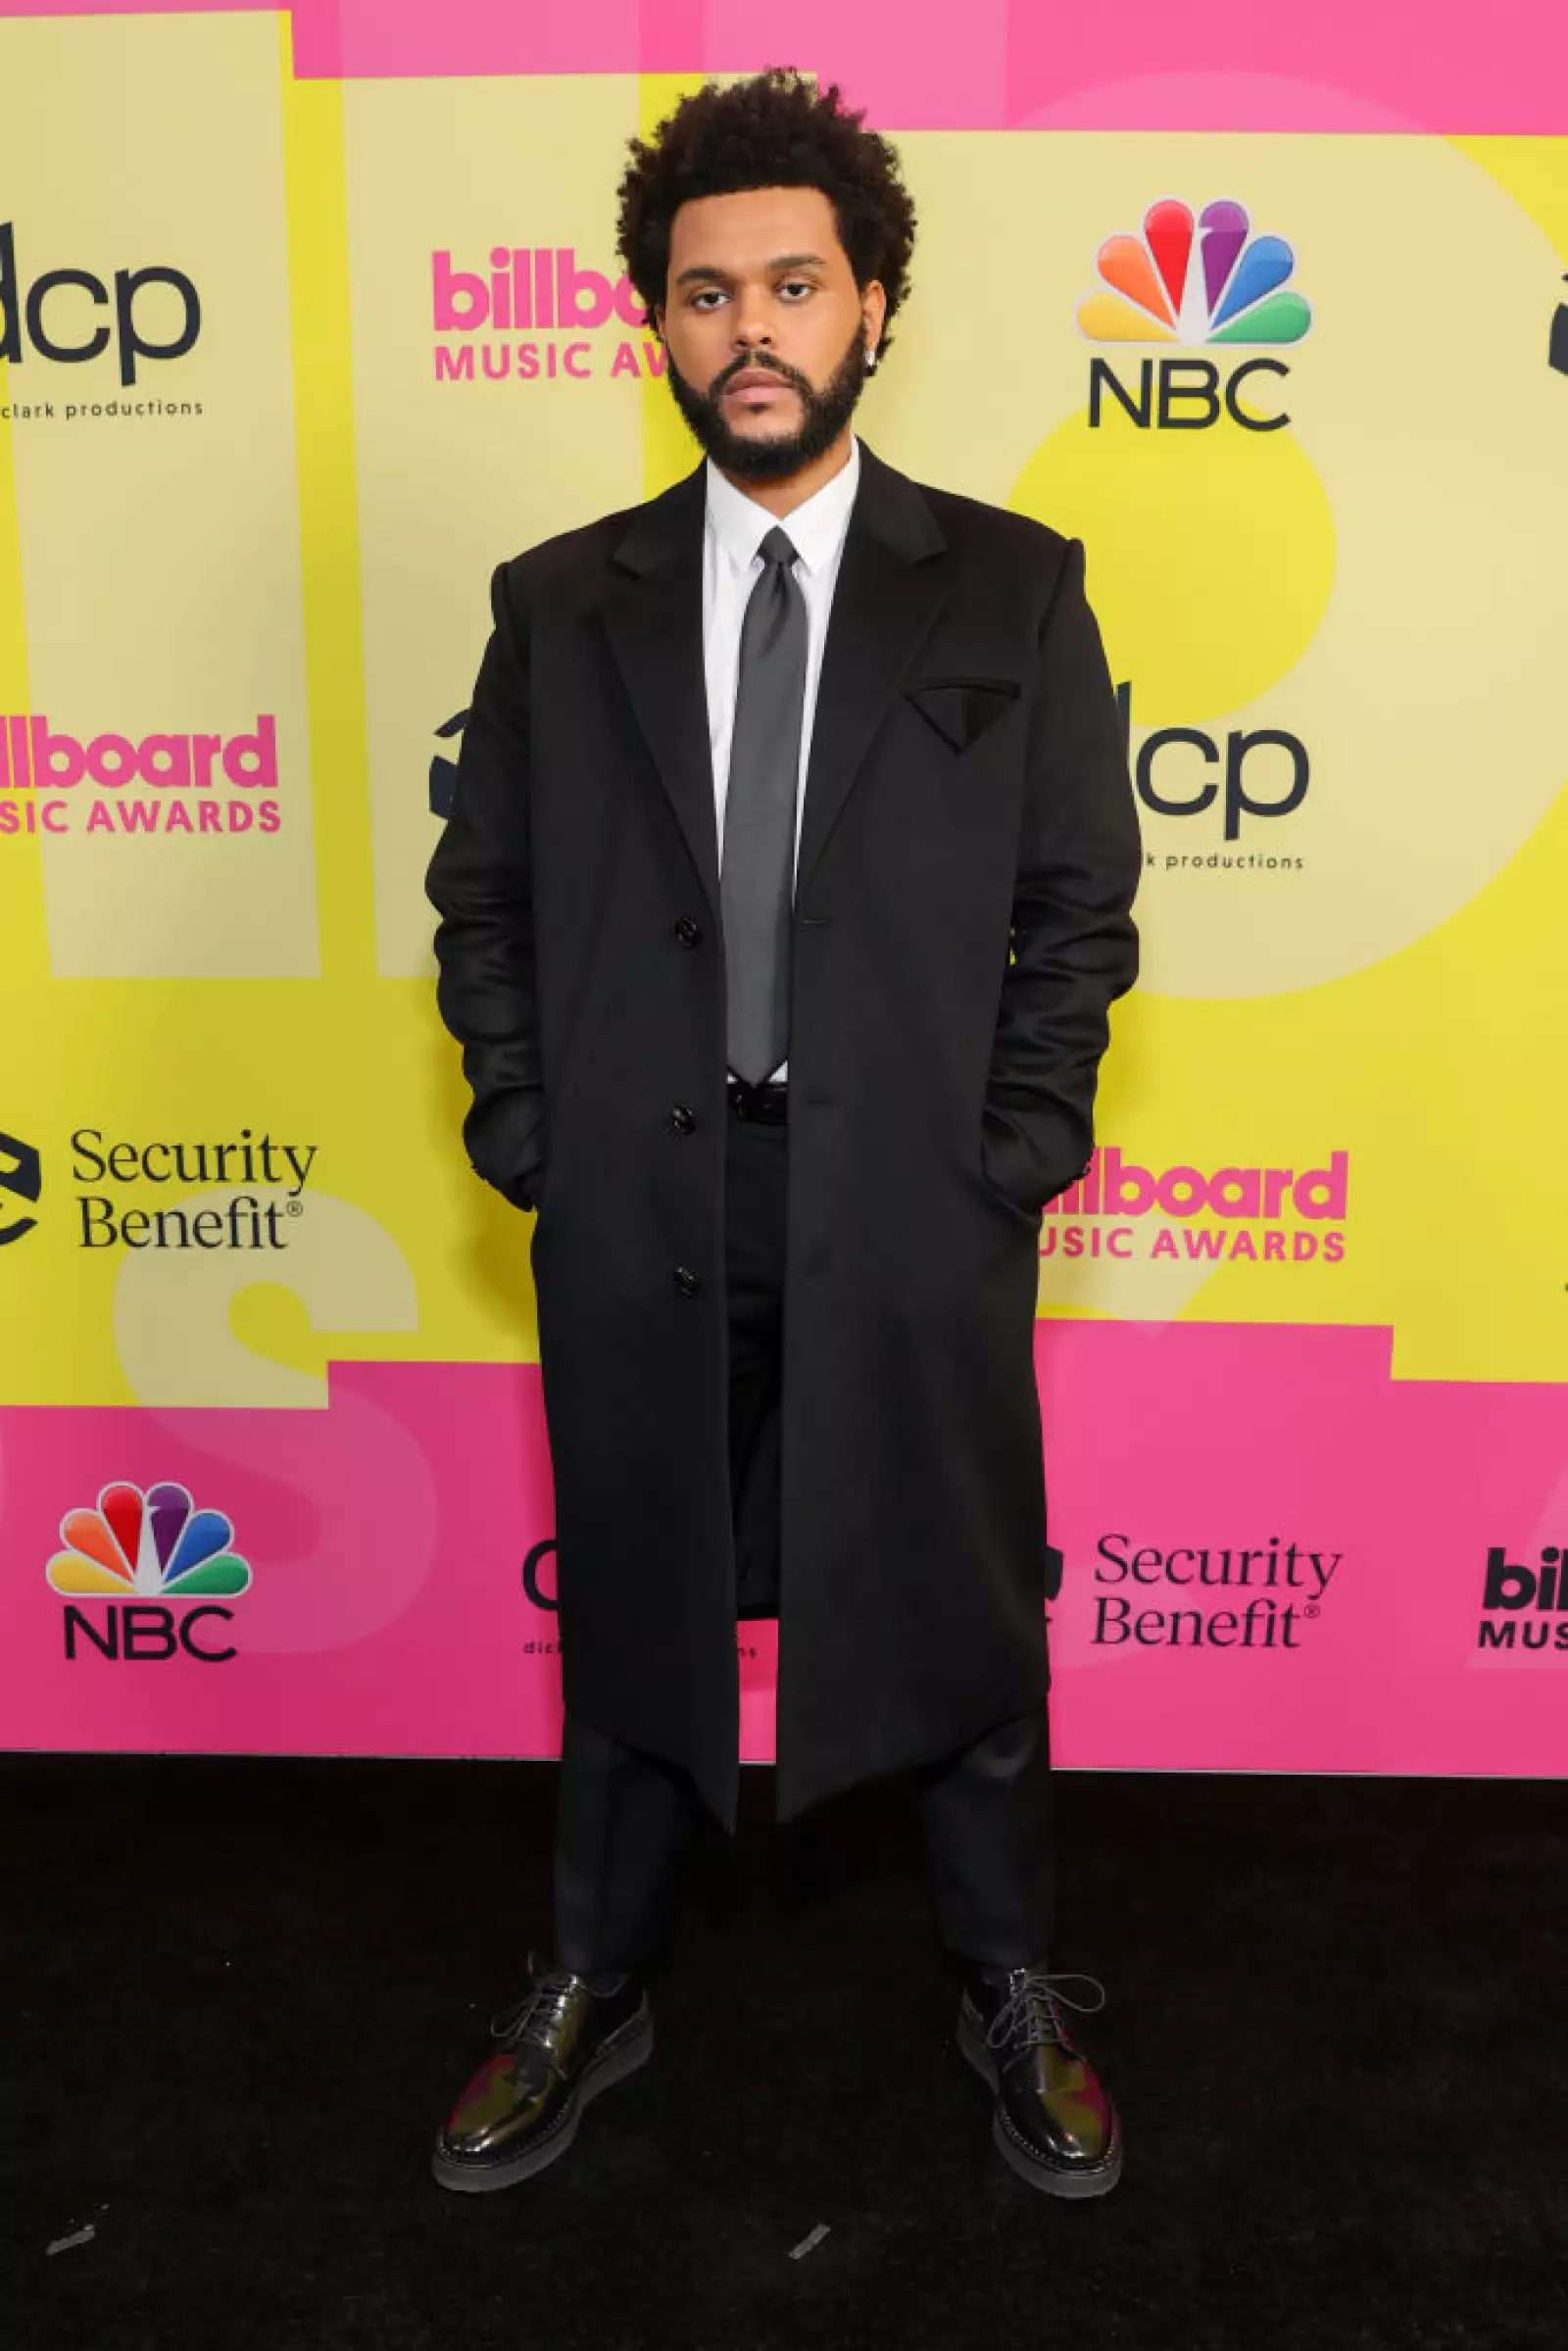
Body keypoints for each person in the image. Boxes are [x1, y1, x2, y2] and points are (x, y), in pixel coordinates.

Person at [424, 69, 1140, 2200]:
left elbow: (1074, 905)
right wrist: (538, 1131)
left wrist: (1007, 1150)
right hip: (641, 1185)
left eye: (794, 286)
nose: (750, 327)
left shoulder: (1008, 586)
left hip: (912, 1199)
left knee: (960, 1599)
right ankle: (591, 1969)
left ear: (873, 305)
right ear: (656, 320)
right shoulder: (560, 599)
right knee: (636, 1595)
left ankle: (1006, 1976)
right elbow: (483, 899)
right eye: (706, 290)